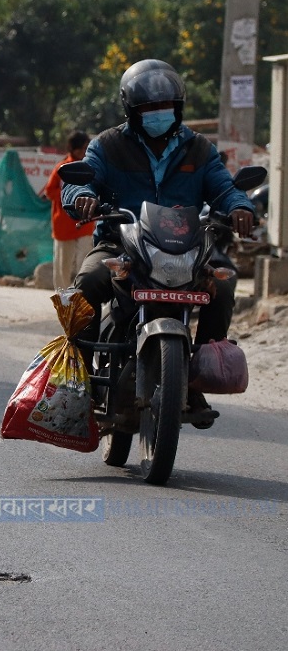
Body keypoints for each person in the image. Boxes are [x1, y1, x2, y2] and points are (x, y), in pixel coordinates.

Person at [61, 59, 255, 428]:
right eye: (148, 110)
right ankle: (79, 379)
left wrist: (241, 207)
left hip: (186, 248)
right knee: (85, 285)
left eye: (164, 109)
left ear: (178, 110)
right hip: (121, 243)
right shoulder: (107, 145)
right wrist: (82, 196)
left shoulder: (199, 149)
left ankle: (196, 373)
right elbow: (79, 180)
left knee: (226, 280)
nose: (157, 115)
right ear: (131, 112)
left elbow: (225, 188)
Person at [42, 131, 96, 290]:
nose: (85, 151)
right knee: (62, 265)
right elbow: (49, 191)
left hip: (85, 224)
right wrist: (71, 195)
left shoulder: (90, 167)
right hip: (64, 225)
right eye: (83, 148)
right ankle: (63, 299)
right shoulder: (61, 168)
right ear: (74, 149)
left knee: (86, 263)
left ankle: (83, 295)